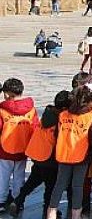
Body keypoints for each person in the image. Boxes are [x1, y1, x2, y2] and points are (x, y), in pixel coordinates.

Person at [10, 90, 70, 216]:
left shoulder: (48, 113)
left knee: (33, 180)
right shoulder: (60, 119)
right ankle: (47, 211)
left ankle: (18, 200)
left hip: (37, 155)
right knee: (50, 187)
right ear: (65, 107)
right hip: (50, 159)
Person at [47, 86, 92, 219]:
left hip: (64, 154)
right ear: (89, 101)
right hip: (81, 156)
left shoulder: (63, 115)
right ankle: (76, 215)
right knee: (77, 187)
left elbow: (57, 134)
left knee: (59, 185)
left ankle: (51, 212)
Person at [0, 78, 38, 213]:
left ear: (7, 94)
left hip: (4, 151)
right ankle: (18, 201)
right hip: (23, 150)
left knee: (3, 177)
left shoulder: (2, 110)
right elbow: (35, 129)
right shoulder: (31, 110)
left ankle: (1, 200)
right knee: (19, 177)